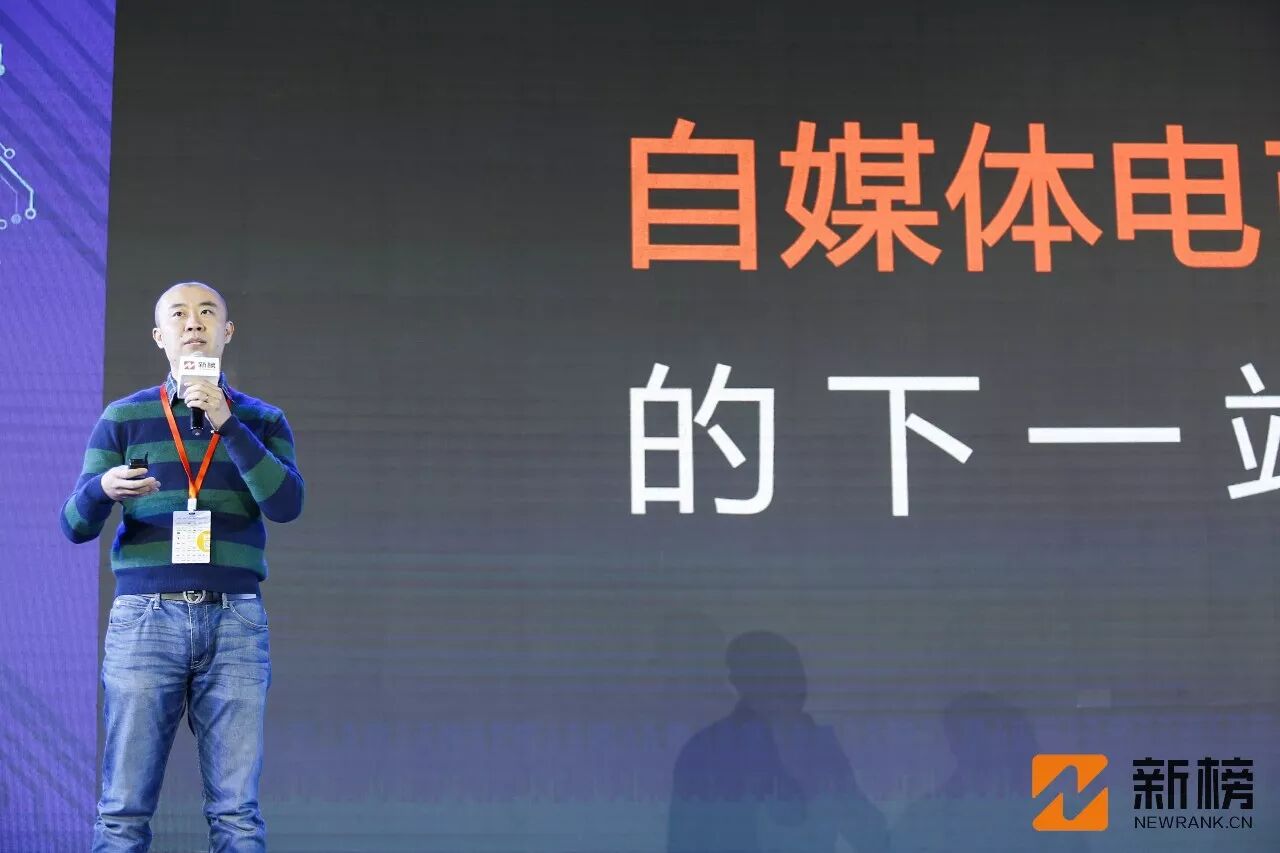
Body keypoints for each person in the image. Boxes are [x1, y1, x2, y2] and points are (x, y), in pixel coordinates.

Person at [60, 281, 304, 852]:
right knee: (123, 810)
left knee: (237, 813)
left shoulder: (263, 419)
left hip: (235, 621)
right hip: (145, 620)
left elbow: (287, 504)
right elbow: (73, 524)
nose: (193, 322)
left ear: (227, 331)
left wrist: (228, 424)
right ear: (159, 336)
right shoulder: (123, 418)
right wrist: (102, 488)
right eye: (178, 314)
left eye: (207, 312)